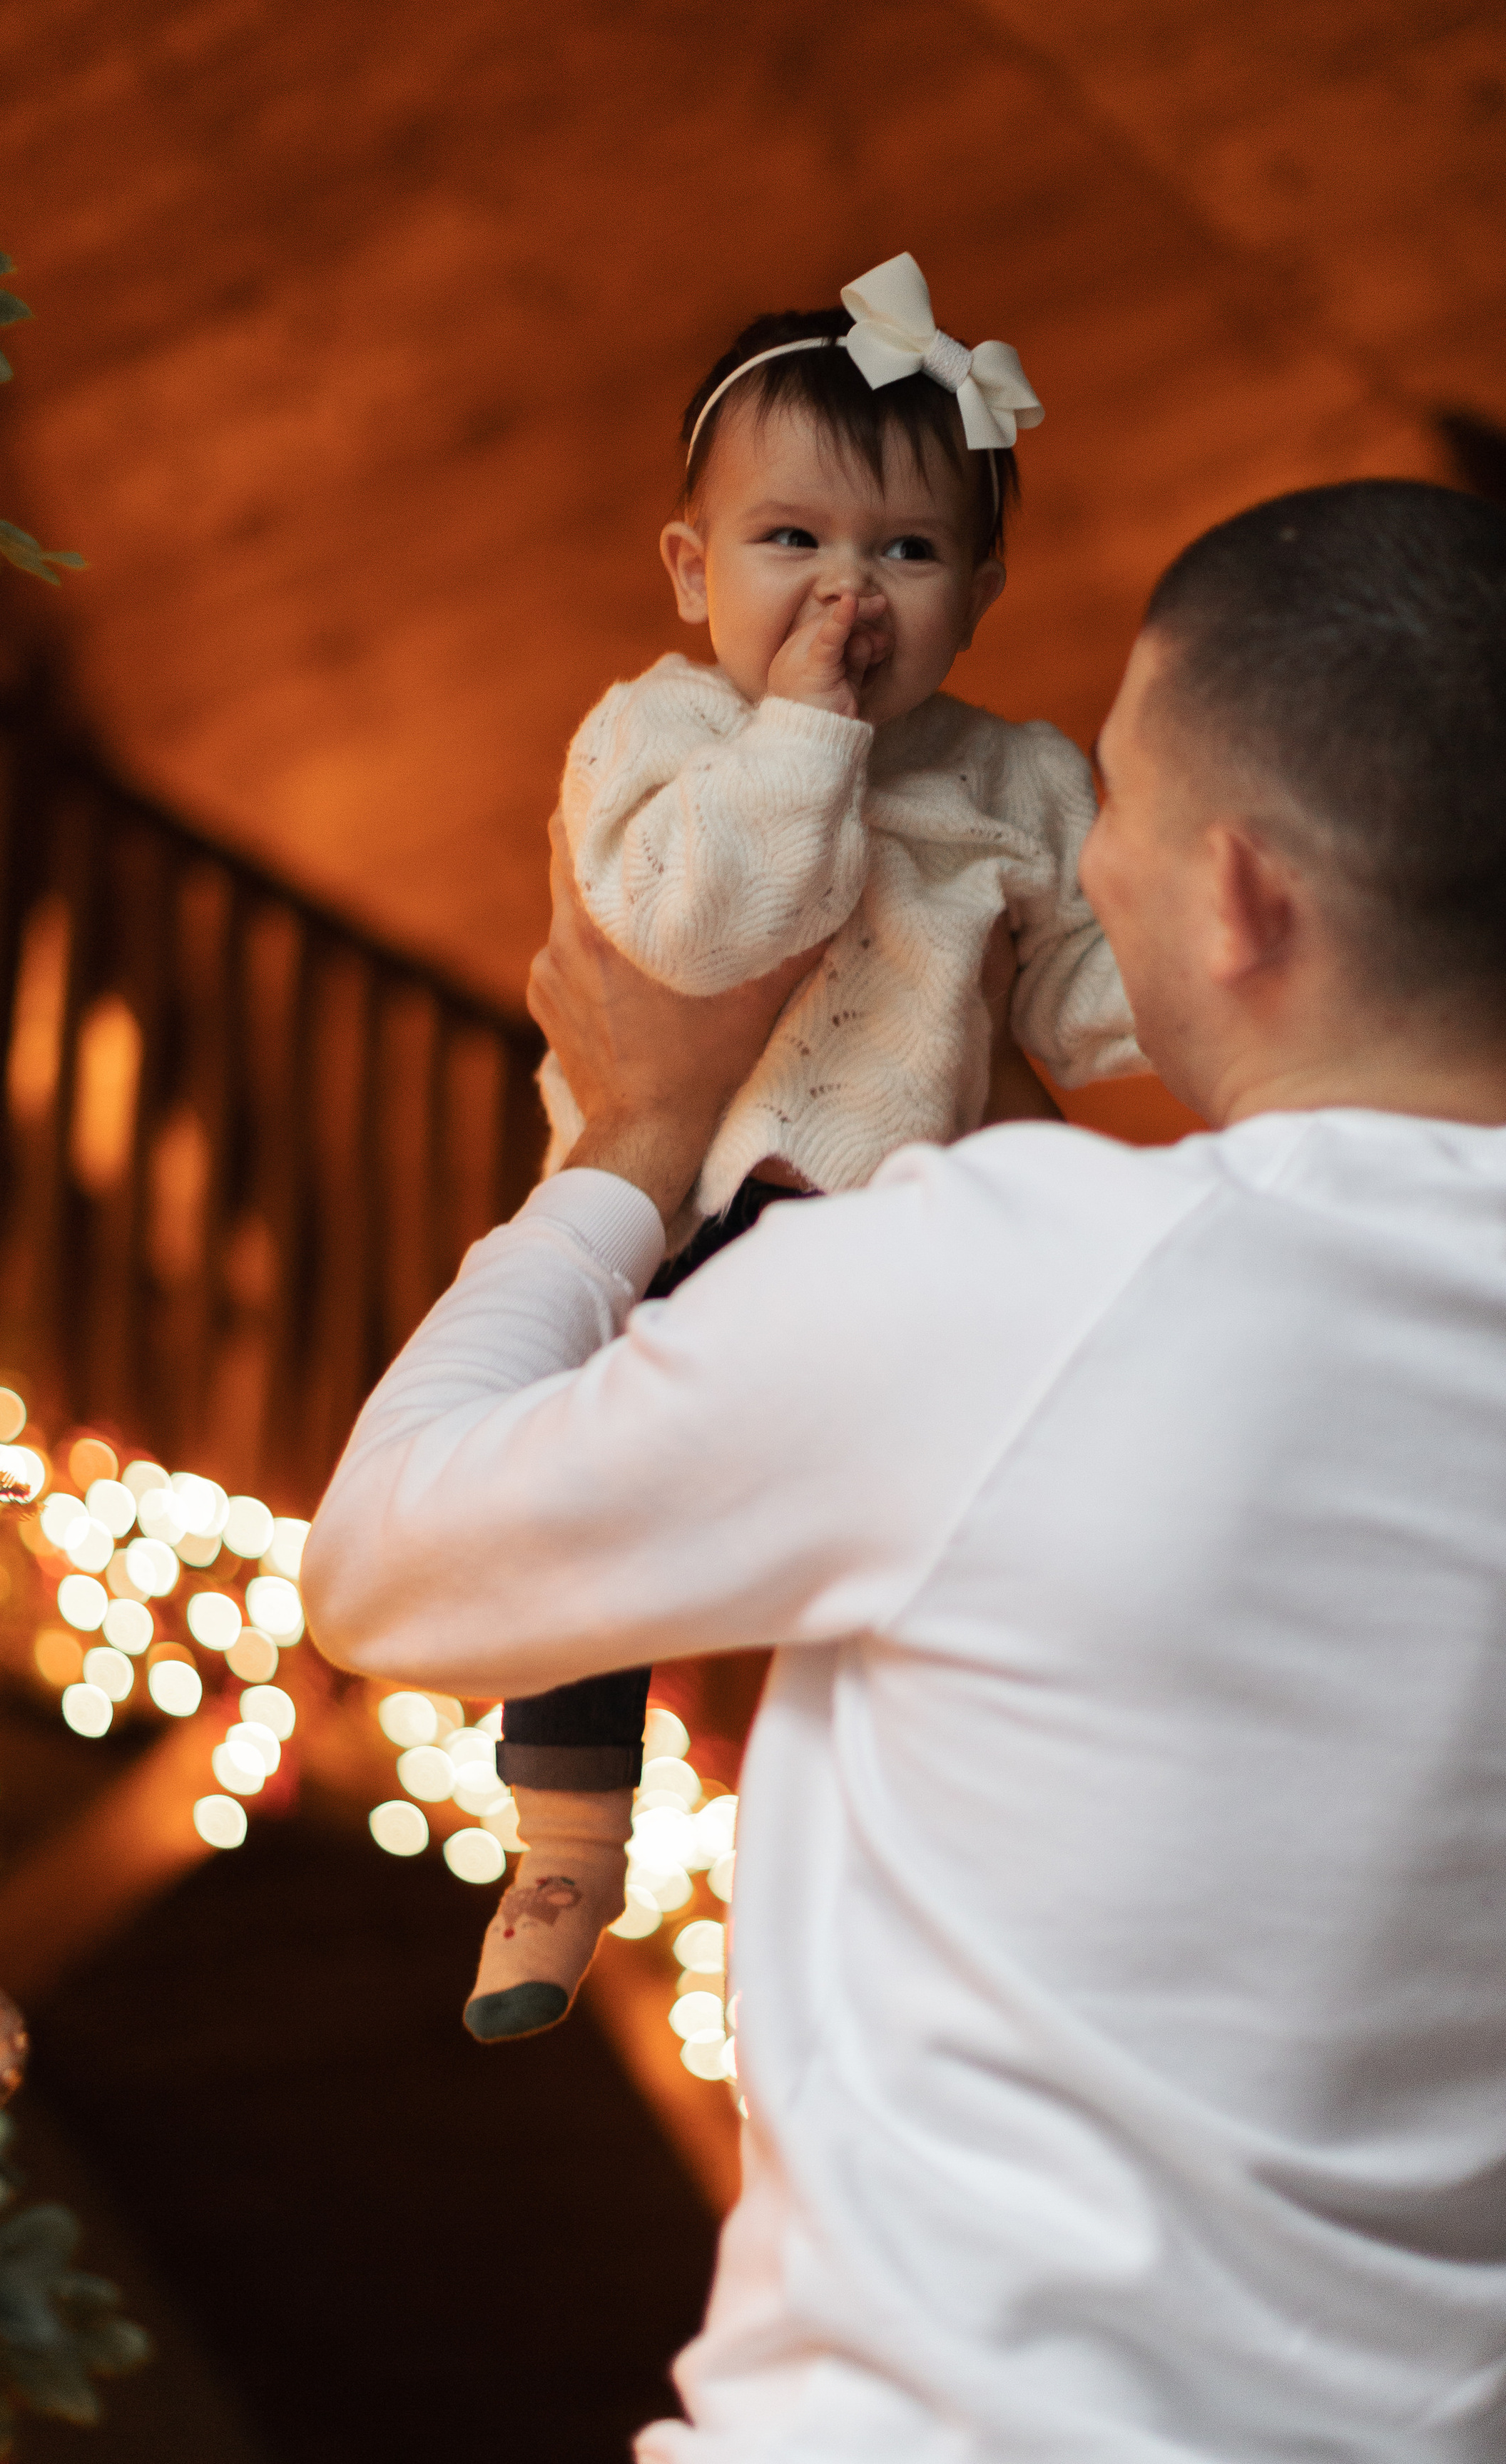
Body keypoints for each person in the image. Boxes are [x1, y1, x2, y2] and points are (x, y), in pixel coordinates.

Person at [304, 476, 1506, 2460]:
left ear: (1240, 895)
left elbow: (387, 1559)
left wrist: (630, 1137)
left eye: (1113, 805)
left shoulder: (1023, 1281)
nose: (1084, 864)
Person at [479, 252, 1144, 2045]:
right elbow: (698, 937)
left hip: (923, 1251)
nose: (847, 590)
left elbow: (1091, 1003)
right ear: (690, 570)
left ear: (978, 596)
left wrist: (1212, 953)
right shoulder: (660, 731)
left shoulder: (1022, 783)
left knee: (975, 1540)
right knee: (590, 1507)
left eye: (906, 552)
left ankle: (941, 1869)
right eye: (790, 541)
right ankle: (563, 1841)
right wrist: (805, 732)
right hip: (696, 1228)